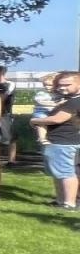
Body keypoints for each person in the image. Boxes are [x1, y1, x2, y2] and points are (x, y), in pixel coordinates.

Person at [30, 71, 79, 211]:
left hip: (63, 142)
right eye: (60, 85)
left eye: (67, 85)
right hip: (61, 141)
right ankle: (60, 200)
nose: (62, 88)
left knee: (66, 173)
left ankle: (69, 203)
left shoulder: (73, 101)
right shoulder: (68, 99)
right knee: (59, 173)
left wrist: (34, 120)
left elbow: (57, 119)